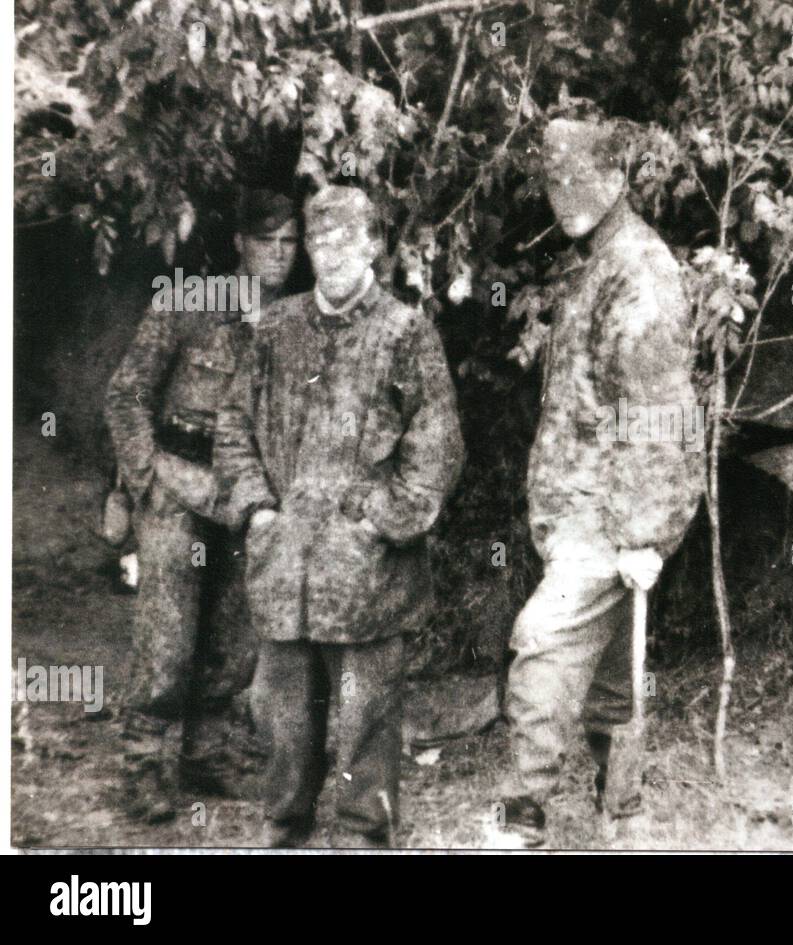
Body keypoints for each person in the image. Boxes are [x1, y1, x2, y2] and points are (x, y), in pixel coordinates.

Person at [216, 185, 464, 848]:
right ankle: (283, 826)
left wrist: (381, 521)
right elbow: (233, 423)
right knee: (281, 714)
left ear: (373, 247)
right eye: (319, 240)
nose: (329, 253)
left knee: (366, 718)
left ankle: (363, 836)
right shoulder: (274, 327)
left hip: (367, 575)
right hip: (286, 566)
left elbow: (436, 445)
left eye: (345, 240)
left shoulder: (406, 331)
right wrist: (258, 511)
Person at [496, 117, 703, 847]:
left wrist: (644, 533)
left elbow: (659, 414)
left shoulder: (637, 268)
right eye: (555, 181)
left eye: (580, 178)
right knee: (612, 677)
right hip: (585, 508)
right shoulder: (598, 259)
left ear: (618, 178)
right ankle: (625, 809)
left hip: (611, 510)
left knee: (542, 640)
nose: (565, 195)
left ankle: (522, 813)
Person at [105, 189, 298, 821]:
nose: (280, 253)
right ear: (240, 242)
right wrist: (144, 480)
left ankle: (207, 751)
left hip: (244, 493)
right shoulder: (193, 299)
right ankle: (140, 762)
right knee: (169, 636)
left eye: (291, 242)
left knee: (236, 637)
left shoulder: (295, 320)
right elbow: (127, 394)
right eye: (267, 240)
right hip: (178, 483)